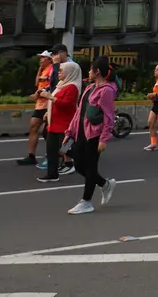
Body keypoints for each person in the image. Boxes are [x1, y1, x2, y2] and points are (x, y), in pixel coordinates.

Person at [64, 58, 118, 215]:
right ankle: (105, 184)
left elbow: (109, 116)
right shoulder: (89, 89)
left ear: (97, 72)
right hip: (80, 132)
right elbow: (79, 113)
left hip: (94, 136)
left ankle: (86, 202)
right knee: (79, 165)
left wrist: (104, 139)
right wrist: (69, 132)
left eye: (90, 69)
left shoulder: (106, 91)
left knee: (91, 167)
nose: (88, 72)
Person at [38, 57, 81, 182]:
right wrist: (48, 112)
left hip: (65, 124)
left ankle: (84, 163)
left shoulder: (72, 87)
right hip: (54, 123)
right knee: (51, 151)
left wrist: (50, 97)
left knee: (67, 149)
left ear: (69, 73)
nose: (59, 73)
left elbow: (67, 104)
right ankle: (52, 174)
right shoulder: (61, 85)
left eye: (62, 71)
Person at [17, 50, 56, 167]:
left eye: (43, 58)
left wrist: (38, 94)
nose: (40, 60)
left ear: (49, 59)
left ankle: (54, 155)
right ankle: (31, 156)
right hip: (40, 104)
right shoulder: (43, 70)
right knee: (33, 127)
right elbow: (37, 84)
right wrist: (39, 70)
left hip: (48, 103)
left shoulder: (53, 69)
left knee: (49, 131)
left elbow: (52, 85)